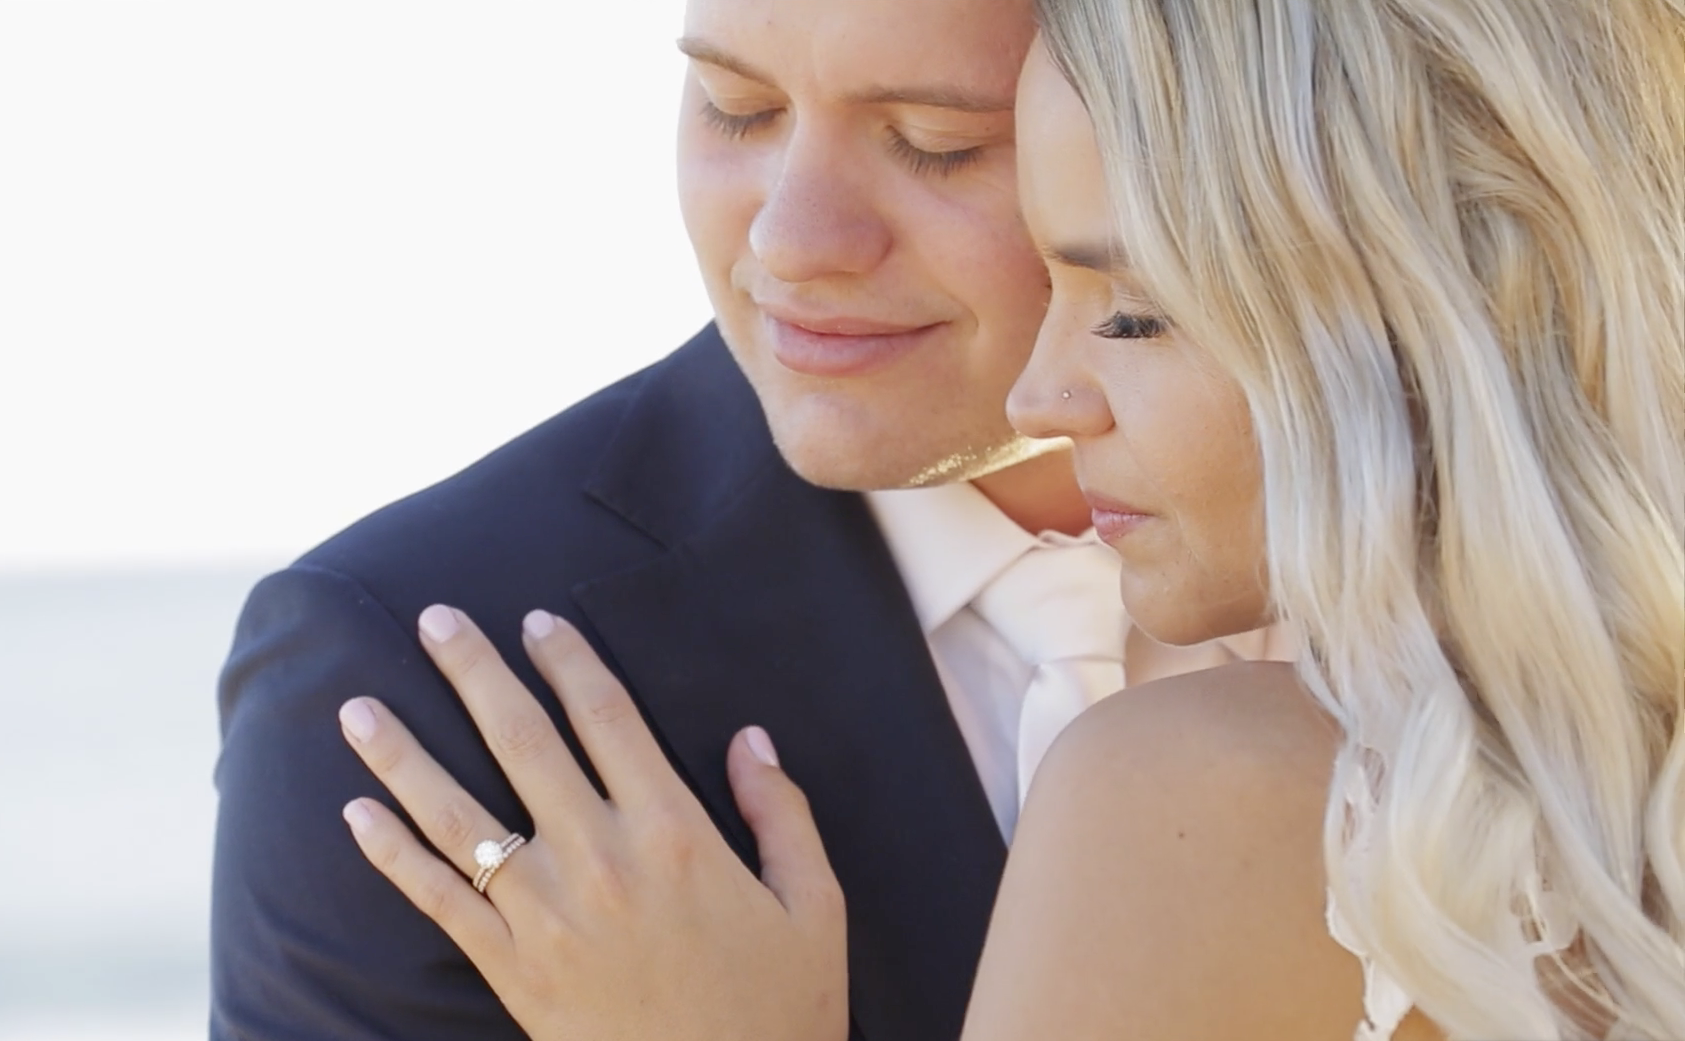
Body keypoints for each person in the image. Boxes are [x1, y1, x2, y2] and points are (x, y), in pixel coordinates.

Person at [333, 0, 1685, 1038]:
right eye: (730, 105)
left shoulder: (1188, 792)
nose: (1048, 383)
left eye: (1132, 309)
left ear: (1428, 315)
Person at [209, 0, 1284, 1037]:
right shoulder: (410, 674)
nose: (790, 239)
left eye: (934, 141)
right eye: (736, 106)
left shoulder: (1437, 560)